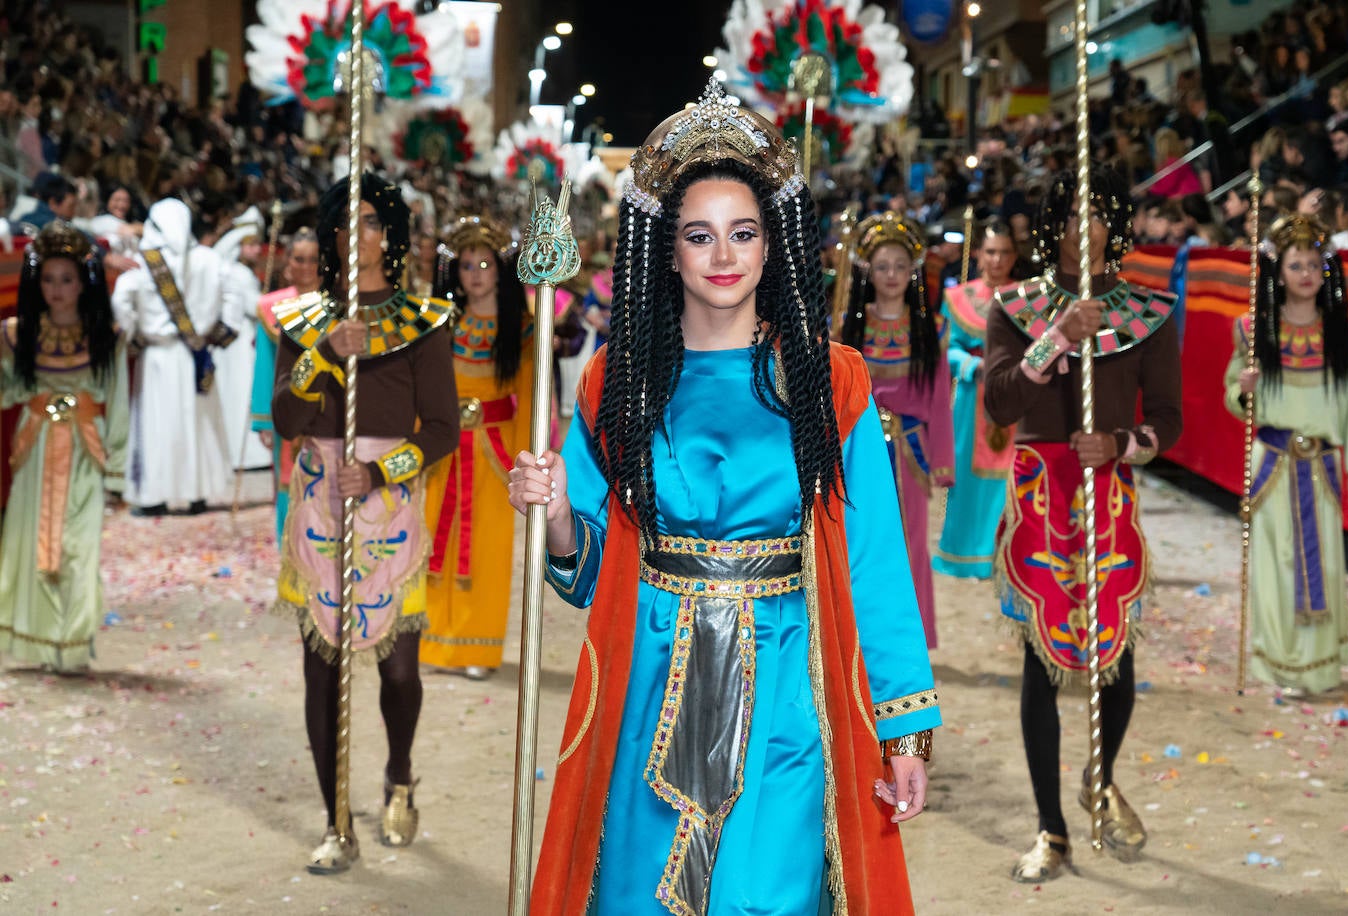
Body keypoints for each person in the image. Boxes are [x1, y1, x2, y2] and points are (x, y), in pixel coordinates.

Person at [507, 80, 942, 914]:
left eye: (742, 233)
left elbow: (876, 563)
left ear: (771, 245)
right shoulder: (617, 381)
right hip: (648, 683)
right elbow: (589, 578)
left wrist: (901, 729)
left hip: (790, 689)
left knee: (768, 896)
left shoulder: (832, 379)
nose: (722, 256)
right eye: (698, 237)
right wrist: (560, 514)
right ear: (666, 251)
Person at [984, 165, 1182, 881]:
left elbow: (1169, 417)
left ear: (1115, 228)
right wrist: (1057, 338)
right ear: (1051, 230)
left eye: (1096, 215)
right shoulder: (1014, 306)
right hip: (1040, 496)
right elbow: (1002, 404)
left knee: (1117, 664)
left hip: (1108, 494)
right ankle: (1052, 830)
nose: (1082, 229)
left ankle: (1099, 778)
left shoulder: (1150, 311)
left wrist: (1123, 444)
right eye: (1069, 217)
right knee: (1042, 663)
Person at [271, 173, 459, 873]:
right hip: (318, 503)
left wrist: (381, 473)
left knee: (399, 673)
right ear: (330, 237)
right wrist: (324, 354)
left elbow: (442, 430)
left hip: (388, 504)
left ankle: (400, 775)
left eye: (373, 223)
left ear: (393, 236)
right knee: (321, 674)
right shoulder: (302, 321)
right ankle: (334, 820)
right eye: (345, 224)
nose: (360, 236)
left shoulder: (423, 322)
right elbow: (289, 420)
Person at [1224, 214, 1348, 696]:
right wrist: (1244, 389)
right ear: (1278, 272)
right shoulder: (1253, 332)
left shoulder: (1344, 336)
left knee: (1324, 566)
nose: (1306, 274)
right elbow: (1233, 397)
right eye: (1295, 265)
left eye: (1314, 265)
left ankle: (1318, 667)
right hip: (1273, 464)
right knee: (1275, 565)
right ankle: (1280, 665)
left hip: (1322, 471)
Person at [0, 222, 128, 673]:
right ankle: (41, 642)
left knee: (79, 546)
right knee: (31, 545)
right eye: (49, 280)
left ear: (84, 283)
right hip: (34, 452)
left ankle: (72, 644)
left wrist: (116, 470)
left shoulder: (106, 336)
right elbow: (7, 391)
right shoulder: (17, 334)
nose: (57, 290)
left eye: (67, 279)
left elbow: (119, 404)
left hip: (85, 452)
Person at [420, 215, 532, 679]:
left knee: (486, 547)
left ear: (500, 271)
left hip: (495, 452)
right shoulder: (440, 323)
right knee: (433, 543)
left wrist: (529, 458)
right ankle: (433, 644)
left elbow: (528, 397)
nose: (476, 273)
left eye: (485, 263)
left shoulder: (521, 328)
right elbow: (423, 390)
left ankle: (478, 649)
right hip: (445, 447)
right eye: (467, 265)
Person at [839, 210, 953, 646]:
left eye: (900, 267)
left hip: (910, 451)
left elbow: (939, 403)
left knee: (911, 545)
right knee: (860, 541)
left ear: (914, 272)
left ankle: (911, 637)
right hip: (858, 449)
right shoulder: (847, 327)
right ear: (869, 271)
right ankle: (859, 634)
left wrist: (942, 463)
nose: (892, 275)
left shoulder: (932, 330)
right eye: (883, 266)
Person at [111, 197, 239, 515]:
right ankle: (198, 494)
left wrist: (132, 336)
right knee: (199, 423)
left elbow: (122, 301)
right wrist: (219, 334)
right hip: (196, 351)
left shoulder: (142, 264)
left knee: (157, 426)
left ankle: (156, 497)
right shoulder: (209, 259)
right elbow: (234, 293)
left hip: (158, 357)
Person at [934, 219, 1019, 580]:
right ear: (980, 255)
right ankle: (965, 551)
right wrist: (971, 364)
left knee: (1013, 475)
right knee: (969, 476)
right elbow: (945, 349)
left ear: (1014, 257)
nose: (997, 259)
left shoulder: (1027, 297)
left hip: (1016, 396)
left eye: (1004, 253)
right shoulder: (959, 298)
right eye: (991, 252)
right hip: (972, 400)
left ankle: (1008, 554)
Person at [251, 227, 320, 540]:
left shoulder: (337, 303)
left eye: (313, 260)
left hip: (326, 406)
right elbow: (265, 366)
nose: (306, 266)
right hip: (289, 406)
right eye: (299, 259)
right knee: (287, 479)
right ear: (288, 263)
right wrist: (264, 420)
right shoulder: (272, 308)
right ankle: (288, 548)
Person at [213, 207, 273, 472]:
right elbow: (255, 306)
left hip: (236, 342)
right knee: (241, 392)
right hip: (239, 343)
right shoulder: (238, 273)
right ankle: (248, 454)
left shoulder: (237, 271)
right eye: (251, 245)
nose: (257, 250)